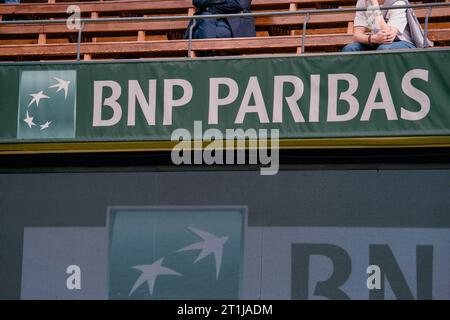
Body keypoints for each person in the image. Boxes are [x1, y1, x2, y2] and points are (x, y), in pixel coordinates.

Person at [342, 0, 417, 52]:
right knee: (350, 49)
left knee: (384, 49)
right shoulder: (363, 1)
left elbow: (388, 37)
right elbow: (356, 35)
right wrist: (372, 39)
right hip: (377, 41)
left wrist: (375, 5)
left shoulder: (398, 2)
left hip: (402, 42)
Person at [185, 0, 256, 39]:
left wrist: (212, 8)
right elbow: (198, 1)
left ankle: (208, 61)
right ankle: (210, 60)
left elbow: (240, 4)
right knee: (206, 18)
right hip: (205, 22)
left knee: (202, 33)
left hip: (233, 26)